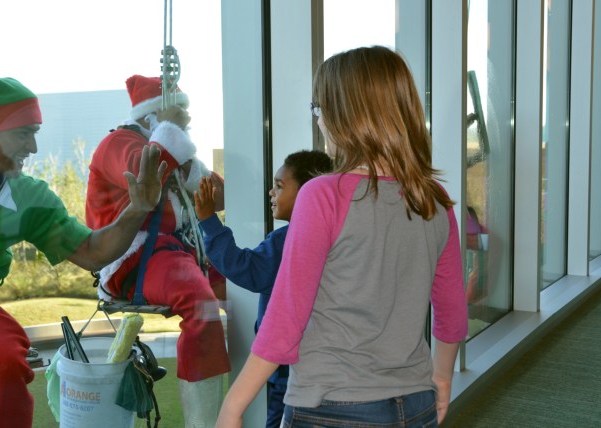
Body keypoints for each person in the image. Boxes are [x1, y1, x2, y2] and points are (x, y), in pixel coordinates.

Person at [216, 46, 469, 427]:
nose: (317, 121)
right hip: (415, 405)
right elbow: (451, 313)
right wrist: (441, 379)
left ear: (342, 115)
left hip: (331, 407)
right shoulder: (433, 201)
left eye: (317, 109)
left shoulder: (323, 195)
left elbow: (286, 317)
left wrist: (233, 406)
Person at [0, 76, 167, 428]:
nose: (34, 147)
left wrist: (137, 210)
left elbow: (92, 252)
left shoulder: (28, 197)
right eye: (24, 132)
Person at [85, 74, 230, 427]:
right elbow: (144, 173)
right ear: (154, 117)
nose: (187, 121)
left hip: (177, 253)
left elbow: (220, 195)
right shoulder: (119, 143)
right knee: (202, 307)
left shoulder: (170, 151)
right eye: (179, 113)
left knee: (245, 285)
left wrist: (189, 161)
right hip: (132, 257)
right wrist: (171, 129)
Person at [194, 149, 333, 428]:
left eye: (280, 186)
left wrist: (208, 220)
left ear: (310, 192)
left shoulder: (288, 240)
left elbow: (247, 270)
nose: (271, 192)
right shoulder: (334, 235)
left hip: (288, 368)